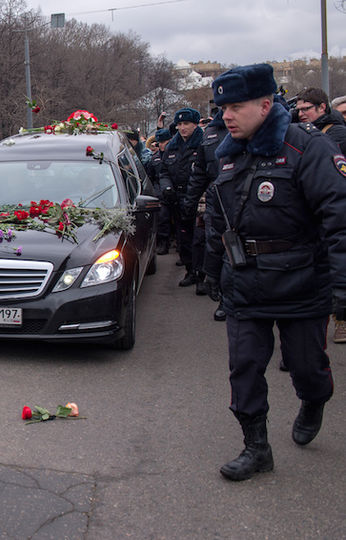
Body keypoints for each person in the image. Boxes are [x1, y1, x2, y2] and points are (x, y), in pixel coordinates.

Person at [204, 64, 346, 481]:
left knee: (306, 365)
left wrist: (342, 285)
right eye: (222, 107)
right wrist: (214, 269)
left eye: (236, 106)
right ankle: (256, 447)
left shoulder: (307, 148)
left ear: (266, 105)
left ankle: (315, 399)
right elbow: (218, 218)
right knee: (244, 367)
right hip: (245, 283)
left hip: (301, 280)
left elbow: (339, 218)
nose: (226, 115)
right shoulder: (228, 154)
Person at [183, 111, 228, 321]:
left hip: (250, 198)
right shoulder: (210, 134)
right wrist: (190, 202)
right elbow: (200, 170)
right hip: (217, 198)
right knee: (217, 245)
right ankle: (225, 298)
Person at [159, 108, 203, 287]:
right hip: (177, 199)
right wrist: (167, 187)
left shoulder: (203, 144)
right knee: (183, 238)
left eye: (186, 124)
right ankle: (190, 270)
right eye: (180, 124)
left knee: (200, 239)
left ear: (195, 124)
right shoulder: (172, 146)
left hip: (199, 199)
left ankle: (202, 275)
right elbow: (163, 171)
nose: (183, 128)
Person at [294, 88, 346, 153]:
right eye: (298, 110)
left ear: (321, 107)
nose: (300, 114)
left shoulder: (338, 132)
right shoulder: (300, 130)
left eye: (305, 109)